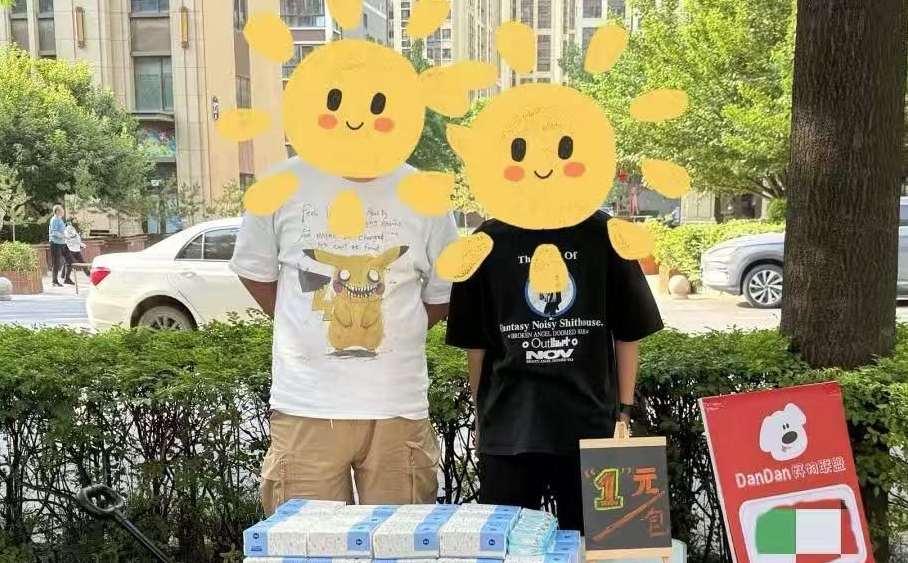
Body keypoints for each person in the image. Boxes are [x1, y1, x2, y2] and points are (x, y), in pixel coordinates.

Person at [229, 158, 458, 511]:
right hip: (306, 404)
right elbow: (255, 274)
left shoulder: (425, 194)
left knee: (399, 541)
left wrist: (394, 330)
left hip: (397, 406)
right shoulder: (278, 184)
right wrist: (306, 325)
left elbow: (444, 293)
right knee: (306, 541)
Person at [445, 210, 664, 531]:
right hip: (515, 429)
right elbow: (476, 346)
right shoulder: (486, 242)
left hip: (581, 429)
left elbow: (628, 332)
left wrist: (623, 413)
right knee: (512, 549)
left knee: (594, 548)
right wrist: (482, 418)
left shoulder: (608, 235)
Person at [47, 204, 73, 287]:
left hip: (62, 243)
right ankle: (54, 281)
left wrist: (67, 227)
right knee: (56, 263)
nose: (63, 211)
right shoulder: (54, 219)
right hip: (55, 244)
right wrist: (65, 237)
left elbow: (61, 230)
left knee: (70, 260)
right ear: (57, 211)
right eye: (61, 209)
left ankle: (67, 279)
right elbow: (54, 232)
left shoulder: (60, 219)